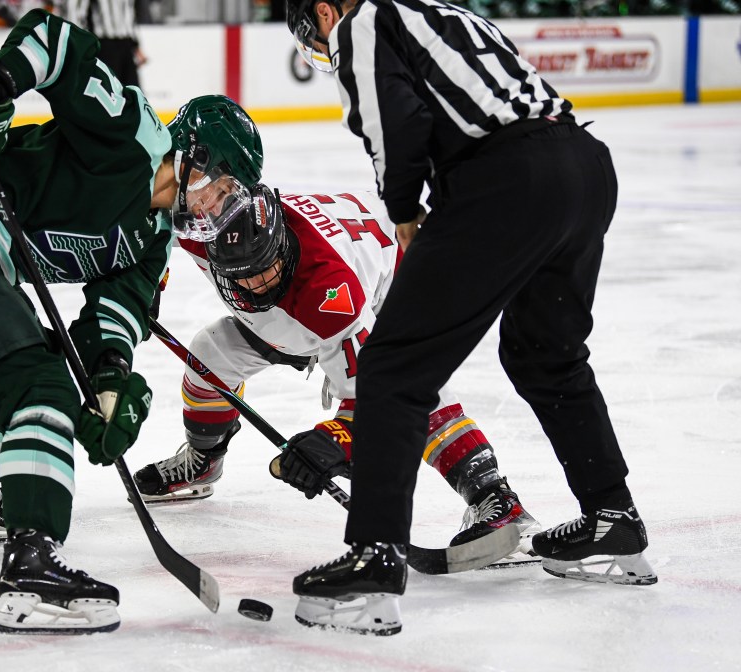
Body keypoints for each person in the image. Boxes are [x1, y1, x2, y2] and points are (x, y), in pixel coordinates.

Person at [0, 9, 259, 634]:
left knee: (50, 366)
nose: (220, 208)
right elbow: (55, 40)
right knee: (40, 386)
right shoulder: (130, 134)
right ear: (197, 155)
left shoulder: (154, 241)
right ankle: (32, 566)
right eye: (223, 187)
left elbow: (116, 314)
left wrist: (109, 382)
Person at [282, 0, 658, 634]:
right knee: (547, 354)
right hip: (585, 167)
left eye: (314, 27)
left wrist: (404, 210)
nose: (324, 40)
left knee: (394, 366)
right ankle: (613, 518)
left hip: (511, 180)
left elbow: (392, 121)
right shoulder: (441, 10)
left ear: (325, 8)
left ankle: (374, 559)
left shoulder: (360, 21)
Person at [134, 182, 539, 558]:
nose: (256, 284)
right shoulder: (205, 229)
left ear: (282, 247)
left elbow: (376, 404)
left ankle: (496, 499)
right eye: (242, 276)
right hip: (316, 286)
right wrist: (144, 281)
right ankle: (205, 460)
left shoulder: (330, 300)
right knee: (212, 355)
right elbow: (153, 223)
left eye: (263, 268)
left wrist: (333, 440)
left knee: (411, 388)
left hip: (399, 282)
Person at [63, 0, 147, 88]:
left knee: (132, 91)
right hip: (104, 43)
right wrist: (83, 43)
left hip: (126, 44)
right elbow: (78, 14)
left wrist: (136, 46)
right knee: (107, 90)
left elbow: (130, 16)